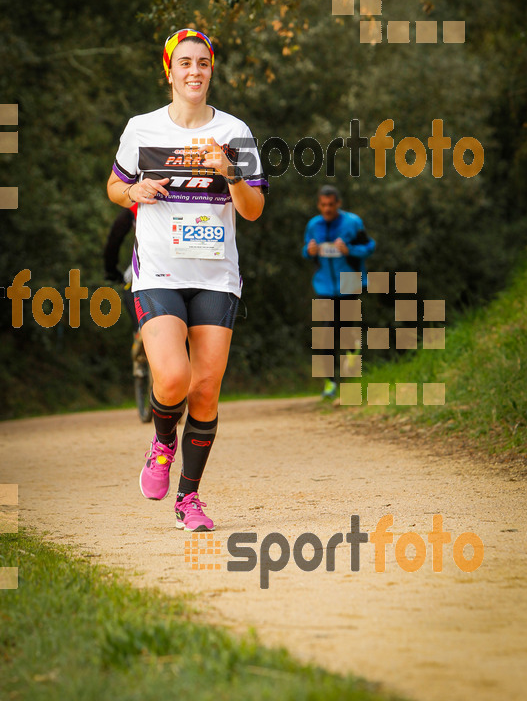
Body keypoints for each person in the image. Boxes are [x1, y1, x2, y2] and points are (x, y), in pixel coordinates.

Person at [107, 28, 267, 531]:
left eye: (203, 63)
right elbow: (114, 187)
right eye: (185, 64)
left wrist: (232, 175)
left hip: (217, 276)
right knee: (173, 377)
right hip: (158, 270)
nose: (194, 71)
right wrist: (137, 190)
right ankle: (161, 444)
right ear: (169, 71)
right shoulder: (141, 128)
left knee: (206, 390)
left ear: (211, 70)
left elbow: (255, 209)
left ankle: (188, 499)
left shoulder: (235, 132)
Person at [302, 185, 375, 398]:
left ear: (338, 204)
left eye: (331, 205)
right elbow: (306, 250)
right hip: (324, 286)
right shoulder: (313, 225)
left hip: (350, 284)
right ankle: (329, 382)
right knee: (325, 333)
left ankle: (352, 360)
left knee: (345, 331)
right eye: (323, 205)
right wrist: (309, 251)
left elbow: (369, 246)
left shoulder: (353, 222)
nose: (327, 209)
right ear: (319, 205)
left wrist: (349, 250)